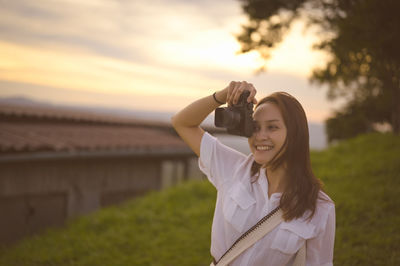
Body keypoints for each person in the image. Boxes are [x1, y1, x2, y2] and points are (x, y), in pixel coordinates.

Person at [171, 81, 335, 266]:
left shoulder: (320, 207)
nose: (260, 136)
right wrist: (223, 95)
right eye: (255, 127)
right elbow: (182, 123)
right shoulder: (233, 168)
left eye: (272, 127)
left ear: (295, 134)